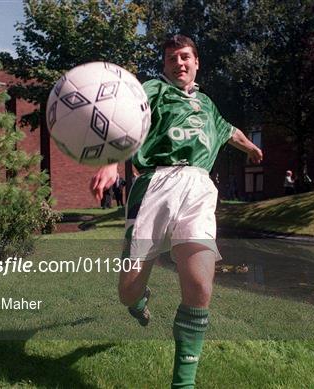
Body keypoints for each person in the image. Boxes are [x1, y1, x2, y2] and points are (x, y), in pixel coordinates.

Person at [90, 35, 263, 388]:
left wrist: (252, 149)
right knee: (127, 290)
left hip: (198, 188)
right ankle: (139, 301)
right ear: (165, 66)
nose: (179, 63)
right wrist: (111, 162)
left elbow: (230, 132)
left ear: (196, 63)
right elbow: (126, 120)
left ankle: (183, 384)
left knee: (200, 284)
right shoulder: (153, 89)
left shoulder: (207, 105)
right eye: (171, 59)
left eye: (184, 57)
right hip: (154, 185)